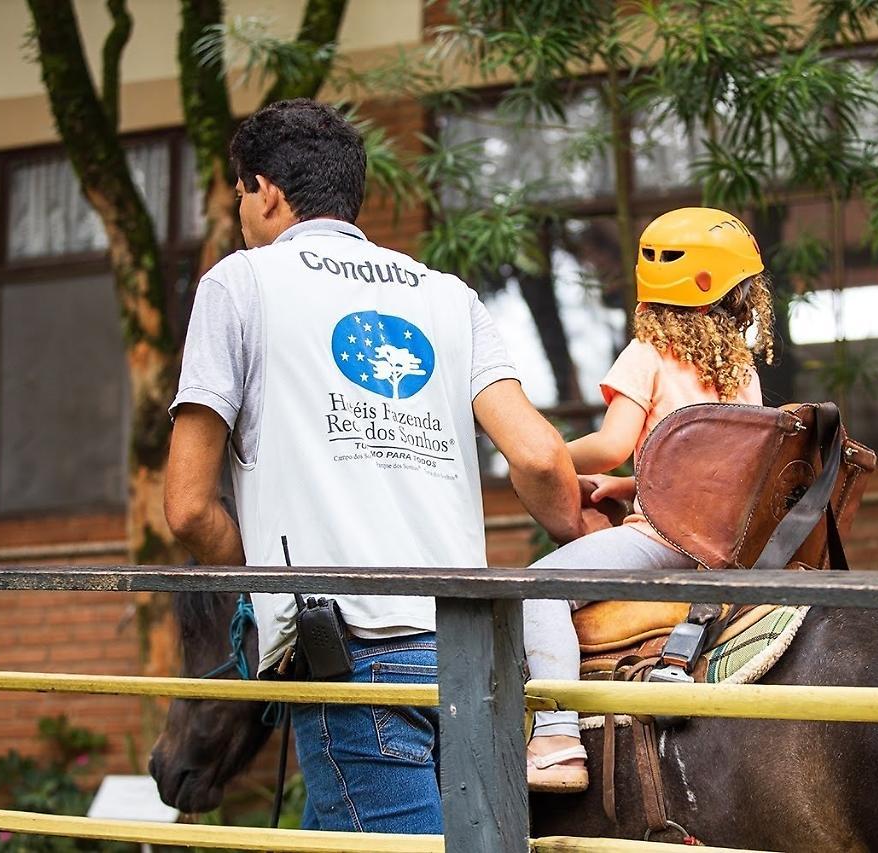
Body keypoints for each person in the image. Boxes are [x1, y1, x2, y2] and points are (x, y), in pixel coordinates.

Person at [163, 98, 588, 833]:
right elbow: (542, 457)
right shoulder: (446, 296)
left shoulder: (239, 283)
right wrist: (580, 532)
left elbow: (188, 507)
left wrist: (264, 577)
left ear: (264, 190)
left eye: (239, 193)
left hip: (347, 657)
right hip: (469, 654)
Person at [522, 207, 775, 793]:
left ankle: (557, 737)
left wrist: (541, 452)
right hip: (725, 547)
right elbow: (724, 470)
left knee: (536, 589)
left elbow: (611, 444)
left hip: (664, 540)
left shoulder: (647, 354)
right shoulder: (740, 369)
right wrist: (633, 485)